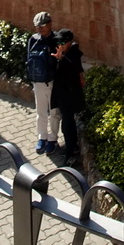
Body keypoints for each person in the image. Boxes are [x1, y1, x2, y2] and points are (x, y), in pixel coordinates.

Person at [27, 11, 60, 154]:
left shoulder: (57, 39)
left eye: (42, 26)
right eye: (37, 26)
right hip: (38, 82)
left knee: (54, 113)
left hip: (53, 82)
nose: (40, 29)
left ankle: (53, 139)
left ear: (50, 24)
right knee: (40, 112)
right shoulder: (33, 39)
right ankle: (42, 137)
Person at [50, 28, 85, 166]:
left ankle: (70, 154)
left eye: (63, 41)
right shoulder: (63, 53)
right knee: (66, 124)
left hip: (70, 97)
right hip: (63, 96)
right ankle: (72, 148)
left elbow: (74, 70)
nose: (61, 44)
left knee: (67, 125)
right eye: (59, 41)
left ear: (70, 42)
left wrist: (61, 59)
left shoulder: (73, 54)